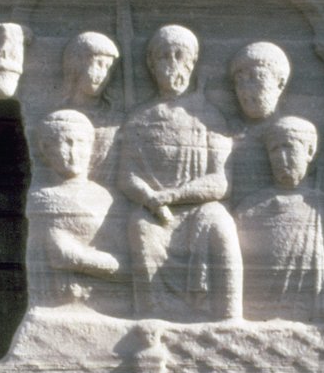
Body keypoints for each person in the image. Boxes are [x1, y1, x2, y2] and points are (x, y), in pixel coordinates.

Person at [119, 24, 242, 321]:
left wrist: (175, 195)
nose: (172, 64)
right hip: (155, 211)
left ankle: (229, 316)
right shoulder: (139, 118)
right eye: (164, 56)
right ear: (151, 65)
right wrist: (149, 198)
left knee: (221, 225)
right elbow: (126, 175)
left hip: (199, 209)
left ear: (192, 62)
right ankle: (152, 321)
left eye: (180, 55)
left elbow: (220, 182)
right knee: (140, 227)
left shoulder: (209, 116)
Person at [233, 115, 324, 321]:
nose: (281, 157)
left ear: (310, 152)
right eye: (274, 150)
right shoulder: (248, 209)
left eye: (289, 147)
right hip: (258, 313)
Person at [26, 110, 122, 310]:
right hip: (59, 302)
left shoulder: (103, 197)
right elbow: (60, 255)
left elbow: (124, 257)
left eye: (81, 142)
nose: (74, 152)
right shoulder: (42, 198)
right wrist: (111, 263)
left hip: (107, 301)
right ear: (45, 148)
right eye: (65, 142)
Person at [227, 41, 292, 205]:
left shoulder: (293, 135)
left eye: (257, 77)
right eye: (239, 80)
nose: (245, 88)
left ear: (280, 83)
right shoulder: (224, 132)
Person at [59, 31, 121, 186]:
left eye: (108, 68)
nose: (103, 74)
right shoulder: (59, 117)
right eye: (98, 64)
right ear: (76, 64)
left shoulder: (116, 119)